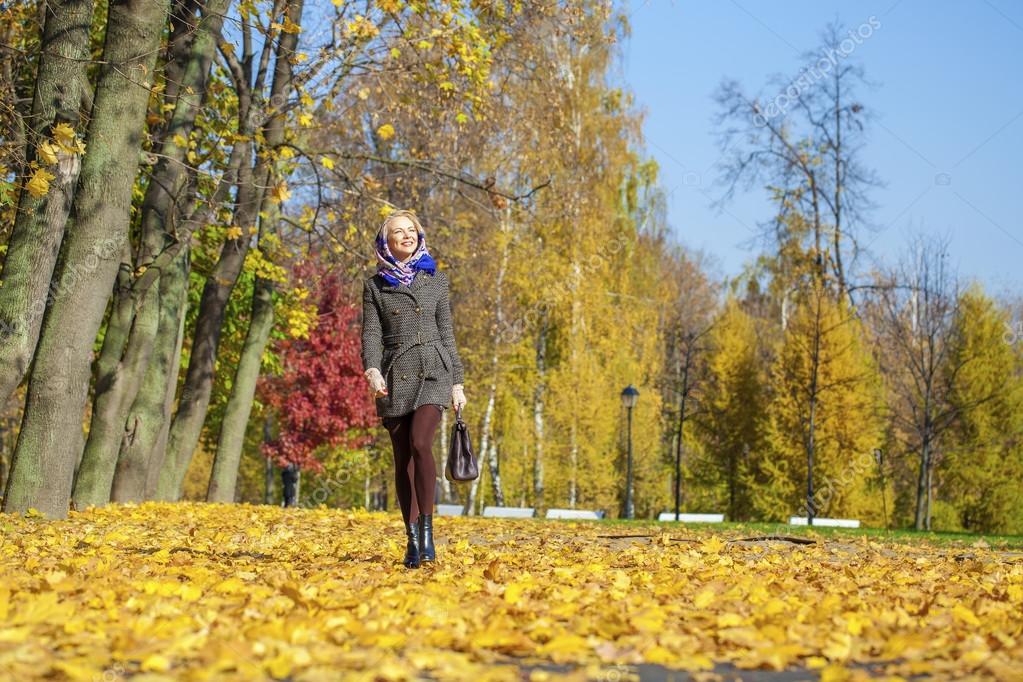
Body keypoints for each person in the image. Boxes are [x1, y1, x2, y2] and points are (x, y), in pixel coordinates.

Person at [360, 210, 467, 568]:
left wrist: (457, 381)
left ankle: (427, 533)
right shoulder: (375, 286)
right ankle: (410, 538)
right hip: (395, 376)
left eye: (411, 231)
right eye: (398, 232)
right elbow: (372, 333)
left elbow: (448, 334)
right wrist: (372, 370)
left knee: (422, 443)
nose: (406, 236)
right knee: (403, 458)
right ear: (385, 243)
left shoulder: (436, 280)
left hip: (434, 371)